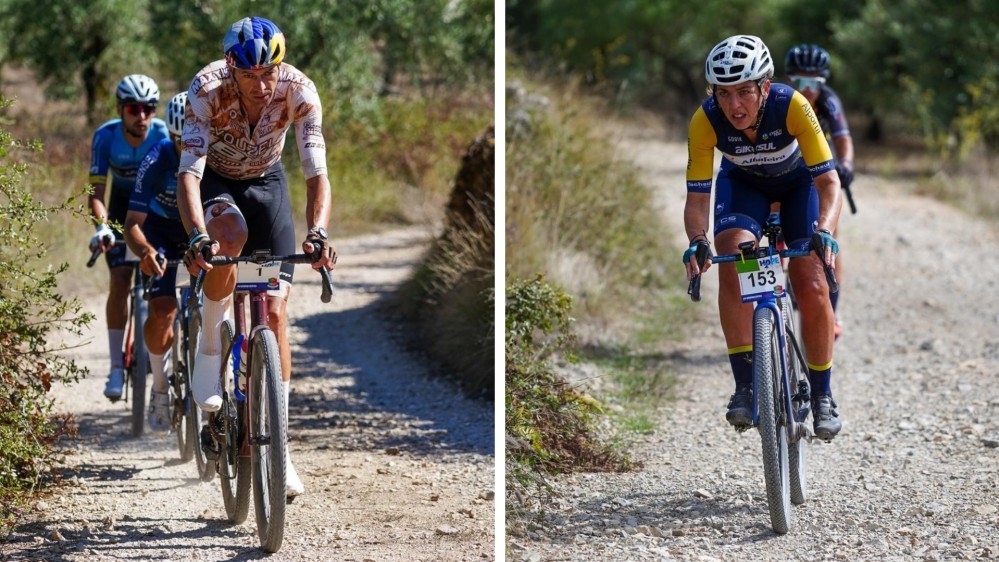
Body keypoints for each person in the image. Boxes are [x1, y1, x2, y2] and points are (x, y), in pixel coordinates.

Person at [177, 16, 336, 496]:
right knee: (230, 236)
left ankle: (280, 454)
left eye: (269, 73)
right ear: (231, 70)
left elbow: (315, 173)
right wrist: (197, 237)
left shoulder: (300, 92)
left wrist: (319, 230)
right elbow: (188, 173)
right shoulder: (205, 90)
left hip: (268, 182)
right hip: (218, 182)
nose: (262, 86)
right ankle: (210, 339)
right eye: (249, 76)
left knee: (276, 313)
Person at [682, 35, 843, 440]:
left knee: (811, 282)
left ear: (764, 87)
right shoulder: (705, 121)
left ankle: (822, 394)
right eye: (724, 94)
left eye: (744, 92)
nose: (734, 106)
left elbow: (828, 182)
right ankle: (746, 385)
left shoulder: (792, 105)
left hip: (798, 187)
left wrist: (824, 230)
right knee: (732, 261)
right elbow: (697, 197)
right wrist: (697, 239)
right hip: (744, 188)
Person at [87, 74, 170, 401]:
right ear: (121, 109)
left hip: (154, 214)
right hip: (120, 213)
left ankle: (159, 364)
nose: (142, 116)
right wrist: (102, 227)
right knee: (120, 280)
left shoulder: (163, 134)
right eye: (134, 109)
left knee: (161, 290)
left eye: (148, 108)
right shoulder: (105, 137)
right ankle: (116, 367)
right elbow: (96, 192)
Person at [123, 92, 191, 433]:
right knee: (163, 310)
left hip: (198, 229)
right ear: (171, 136)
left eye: (190, 139)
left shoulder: (215, 155)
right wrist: (146, 251)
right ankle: (161, 387)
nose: (184, 147)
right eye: (179, 140)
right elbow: (132, 222)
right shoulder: (157, 156)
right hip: (160, 230)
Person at [785, 43, 855, 339]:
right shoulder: (782, 102)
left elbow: (842, 138)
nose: (808, 89)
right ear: (790, 80)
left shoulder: (828, 102)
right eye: (800, 82)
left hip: (819, 172)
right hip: (787, 171)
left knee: (829, 239)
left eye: (814, 83)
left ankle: (832, 311)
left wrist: (847, 164)